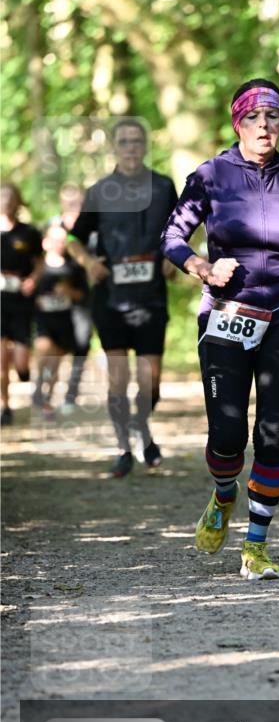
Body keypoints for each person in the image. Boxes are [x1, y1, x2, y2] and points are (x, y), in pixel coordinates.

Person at [161, 78, 279, 580]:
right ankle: (222, 494)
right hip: (228, 313)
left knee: (274, 434)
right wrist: (201, 267)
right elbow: (173, 235)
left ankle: (255, 545)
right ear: (238, 122)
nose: (265, 126)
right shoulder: (211, 176)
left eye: (274, 117)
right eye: (254, 118)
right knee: (227, 435)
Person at [67, 119, 178, 476]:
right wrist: (88, 262)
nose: (130, 148)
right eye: (124, 142)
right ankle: (123, 447)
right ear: (115, 148)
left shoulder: (163, 187)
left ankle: (142, 427)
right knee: (118, 379)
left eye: (136, 141)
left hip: (151, 300)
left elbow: (180, 231)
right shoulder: (99, 190)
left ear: (145, 146)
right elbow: (73, 239)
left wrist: (175, 258)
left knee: (152, 382)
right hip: (111, 299)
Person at [33, 220, 89, 418]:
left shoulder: (73, 268)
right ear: (45, 242)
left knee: (55, 363)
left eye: (62, 241)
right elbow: (28, 292)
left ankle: (46, 399)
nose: (59, 244)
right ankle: (39, 385)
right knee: (45, 351)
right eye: (54, 240)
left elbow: (83, 295)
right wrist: (37, 299)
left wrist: (68, 292)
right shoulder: (38, 267)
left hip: (64, 321)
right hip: (44, 321)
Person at [0, 183, 43, 426]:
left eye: (10, 197)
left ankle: (24, 371)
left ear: (18, 202)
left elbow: (40, 263)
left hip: (21, 303)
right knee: (0, 361)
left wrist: (32, 280)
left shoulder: (28, 233)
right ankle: (5, 406)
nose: (5, 201)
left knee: (20, 360)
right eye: (1, 196)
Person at [58, 183, 93, 412]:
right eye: (68, 201)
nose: (73, 205)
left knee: (82, 344)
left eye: (76, 201)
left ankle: (71, 393)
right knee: (53, 345)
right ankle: (47, 390)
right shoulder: (53, 227)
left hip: (86, 297)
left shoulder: (91, 227)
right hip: (57, 298)